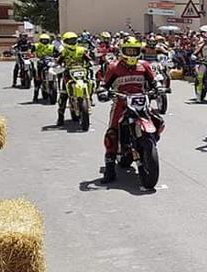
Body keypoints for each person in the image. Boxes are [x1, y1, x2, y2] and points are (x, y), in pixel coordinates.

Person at [97, 37, 160, 183]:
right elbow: (104, 84)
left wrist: (158, 88)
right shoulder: (114, 67)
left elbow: (153, 82)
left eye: (134, 51)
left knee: (157, 121)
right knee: (112, 132)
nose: (131, 54)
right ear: (122, 51)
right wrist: (102, 91)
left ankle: (148, 144)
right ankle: (110, 167)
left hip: (141, 101)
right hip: (121, 103)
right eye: (128, 50)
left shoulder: (144, 66)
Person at [55, 32, 94, 126]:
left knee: (91, 82)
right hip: (68, 74)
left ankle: (90, 97)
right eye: (69, 40)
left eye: (73, 40)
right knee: (63, 95)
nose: (72, 42)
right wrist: (57, 66)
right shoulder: (64, 51)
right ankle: (60, 117)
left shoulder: (81, 49)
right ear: (65, 42)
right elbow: (59, 61)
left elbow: (88, 58)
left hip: (81, 72)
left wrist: (91, 62)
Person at [32, 34, 57, 102]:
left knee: (57, 69)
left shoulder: (52, 47)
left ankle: (55, 83)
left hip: (50, 63)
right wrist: (32, 56)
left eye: (46, 40)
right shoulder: (36, 46)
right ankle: (35, 96)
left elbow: (57, 53)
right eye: (43, 40)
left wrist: (57, 57)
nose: (44, 41)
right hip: (40, 63)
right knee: (38, 79)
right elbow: (31, 52)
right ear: (40, 40)